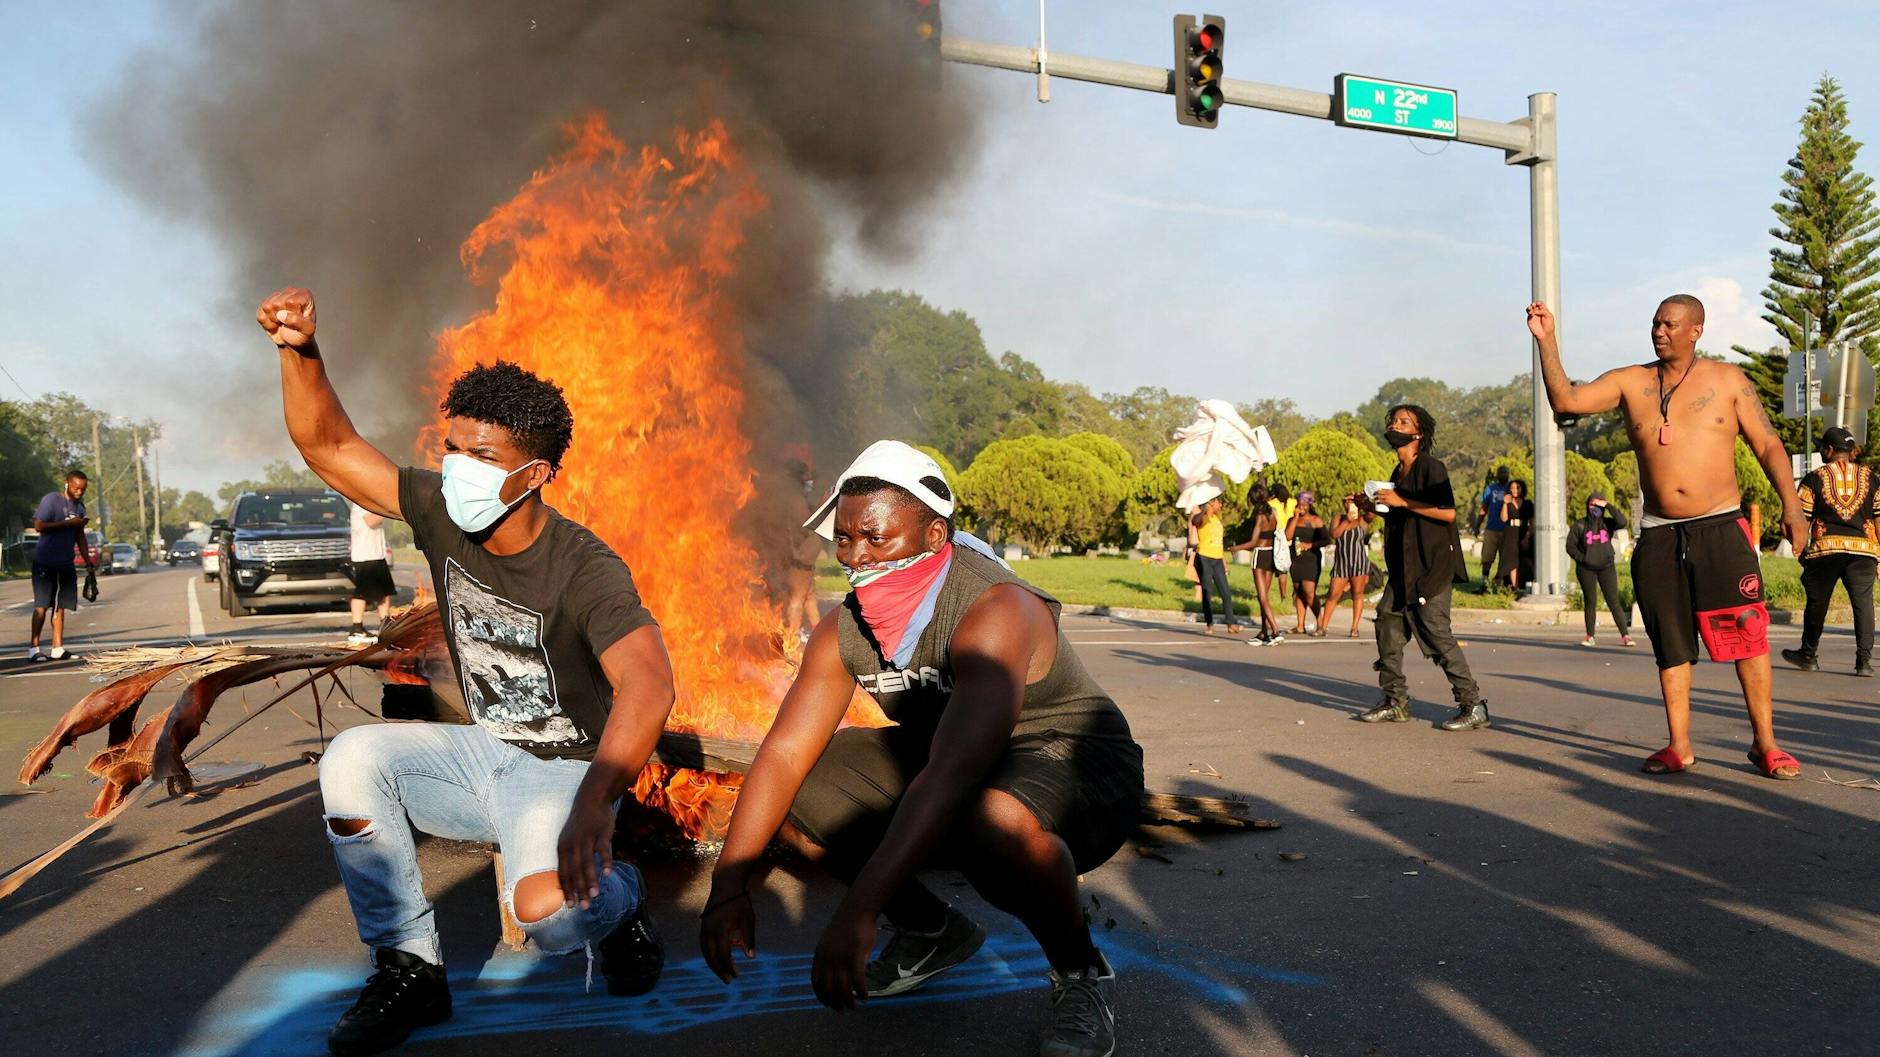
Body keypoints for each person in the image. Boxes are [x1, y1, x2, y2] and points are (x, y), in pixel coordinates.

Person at [254, 287, 676, 1056]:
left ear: (535, 473)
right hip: (481, 752)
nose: (457, 468)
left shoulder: (584, 567)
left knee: (549, 921)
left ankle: (626, 901)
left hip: (565, 771)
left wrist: (595, 801)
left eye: (483, 457)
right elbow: (330, 448)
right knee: (352, 758)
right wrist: (298, 351)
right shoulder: (443, 511)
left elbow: (649, 682)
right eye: (452, 447)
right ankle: (410, 967)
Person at [699, 441, 1144, 1057]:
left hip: (1073, 759)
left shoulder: (995, 610)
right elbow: (781, 755)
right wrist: (729, 884)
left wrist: (859, 909)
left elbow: (952, 775)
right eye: (844, 538)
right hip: (950, 760)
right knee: (804, 792)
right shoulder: (845, 627)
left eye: (875, 539)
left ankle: (1080, 971)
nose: (855, 557)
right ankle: (932, 931)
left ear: (936, 536)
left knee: (992, 823)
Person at [1529, 295, 1805, 779]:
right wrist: (1547, 340)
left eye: (1670, 324)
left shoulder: (1727, 380)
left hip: (1719, 526)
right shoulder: (1631, 381)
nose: (1660, 331)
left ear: (1696, 330)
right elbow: (1567, 401)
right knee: (1670, 643)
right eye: (1656, 323)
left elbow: (1767, 442)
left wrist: (1793, 507)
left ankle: (1765, 744)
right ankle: (1679, 745)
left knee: (1746, 633)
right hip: (1659, 534)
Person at [1354, 405, 1491, 731]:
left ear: (1418, 434)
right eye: (1392, 421)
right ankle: (1395, 701)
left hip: (1431, 569)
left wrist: (1403, 501)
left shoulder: (1432, 468)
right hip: (1403, 569)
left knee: (1437, 633)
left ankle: (1473, 705)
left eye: (1403, 421)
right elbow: (1400, 515)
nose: (1394, 425)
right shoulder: (1396, 472)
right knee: (1386, 623)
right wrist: (1372, 506)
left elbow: (1446, 513)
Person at [1781, 425, 1879, 677]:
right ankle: (1864, 663)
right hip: (1864, 550)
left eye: (1821, 447)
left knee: (1817, 602)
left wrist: (1799, 549)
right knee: (1863, 603)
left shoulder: (1814, 478)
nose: (1820, 450)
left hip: (1826, 549)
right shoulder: (1872, 478)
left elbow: (1800, 519)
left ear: (1830, 449)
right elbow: (1879, 519)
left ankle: (1808, 654)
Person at [29, 470, 91, 662]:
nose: (79, 492)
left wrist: (88, 561)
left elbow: (79, 535)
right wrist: (68, 523)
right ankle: (34, 648)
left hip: (66, 562)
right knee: (42, 606)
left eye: (83, 489)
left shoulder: (80, 508)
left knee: (61, 607)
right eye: (76, 488)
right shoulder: (51, 500)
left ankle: (58, 647)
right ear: (67, 484)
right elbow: (39, 526)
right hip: (45, 561)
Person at [1566, 492, 1636, 648]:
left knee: (1613, 601)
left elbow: (1622, 522)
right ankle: (1590, 635)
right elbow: (1570, 546)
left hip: (1606, 568)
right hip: (1586, 569)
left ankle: (1625, 635)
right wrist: (1583, 559)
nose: (1594, 508)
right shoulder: (1580, 525)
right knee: (1590, 601)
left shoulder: (1608, 523)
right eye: (1592, 504)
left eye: (1598, 505)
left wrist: (1608, 506)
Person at [780, 454, 824, 643]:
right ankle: (792, 638)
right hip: (800, 558)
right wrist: (821, 507)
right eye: (806, 476)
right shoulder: (795, 499)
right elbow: (804, 524)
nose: (809, 480)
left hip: (804, 558)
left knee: (809, 597)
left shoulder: (796, 497)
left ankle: (818, 633)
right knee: (798, 598)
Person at [1235, 485, 1285, 644]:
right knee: (1264, 597)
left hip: (1260, 554)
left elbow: (1253, 542)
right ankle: (1264, 631)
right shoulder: (1273, 512)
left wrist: (1234, 548)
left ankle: (1275, 631)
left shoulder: (1260, 516)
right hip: (1271, 554)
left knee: (1262, 597)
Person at [1187, 495, 1241, 635]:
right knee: (1207, 591)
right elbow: (1195, 521)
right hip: (1204, 557)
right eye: (1219, 502)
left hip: (1217, 559)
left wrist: (1224, 562)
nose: (1221, 505)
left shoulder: (1217, 520)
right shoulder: (1201, 517)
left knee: (1226, 592)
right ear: (1211, 502)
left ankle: (1231, 624)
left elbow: (1219, 542)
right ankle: (1209, 624)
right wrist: (1204, 510)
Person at [1325, 494, 1376, 638]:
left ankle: (1354, 627)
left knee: (1357, 594)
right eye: (1347, 500)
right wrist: (1347, 520)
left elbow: (1373, 513)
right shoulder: (1339, 518)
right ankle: (1323, 626)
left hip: (1358, 562)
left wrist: (1365, 501)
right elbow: (1335, 534)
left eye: (1352, 501)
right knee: (1333, 594)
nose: (1349, 503)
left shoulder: (1362, 519)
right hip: (1342, 562)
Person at [346, 500, 396, 647]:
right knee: (362, 593)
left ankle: (385, 626)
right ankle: (357, 628)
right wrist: (387, 509)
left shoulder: (372, 503)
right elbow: (371, 521)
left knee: (384, 592)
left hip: (377, 554)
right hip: (365, 556)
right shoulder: (360, 503)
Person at [1285, 491, 1330, 636]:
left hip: (1311, 560)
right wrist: (1295, 517)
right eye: (1299, 504)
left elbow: (1326, 540)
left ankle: (1321, 624)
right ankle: (1300, 625)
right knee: (1298, 591)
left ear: (1309, 505)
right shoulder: (1293, 519)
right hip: (1296, 559)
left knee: (1309, 591)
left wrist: (1309, 545)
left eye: (1304, 504)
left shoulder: (1316, 520)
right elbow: (1288, 536)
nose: (1301, 507)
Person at [1476, 466, 1512, 588]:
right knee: (1487, 555)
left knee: (1505, 558)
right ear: (1497, 474)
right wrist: (1477, 525)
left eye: (1505, 472)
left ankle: (1500, 582)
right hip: (1492, 527)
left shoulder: (1512, 488)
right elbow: (1484, 508)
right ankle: (1484, 580)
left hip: (1507, 529)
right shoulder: (1490, 489)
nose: (1503, 474)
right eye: (1501, 472)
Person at [1501, 479, 1535, 591]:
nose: (1515, 490)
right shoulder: (1508, 503)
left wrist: (1527, 536)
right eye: (1512, 488)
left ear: (1522, 489)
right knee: (1512, 560)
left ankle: (1527, 584)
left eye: (1517, 487)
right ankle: (1514, 587)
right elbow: (1504, 518)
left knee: (1526, 559)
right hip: (1510, 531)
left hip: (1524, 531)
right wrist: (1505, 504)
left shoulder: (1528, 503)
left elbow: (1532, 522)